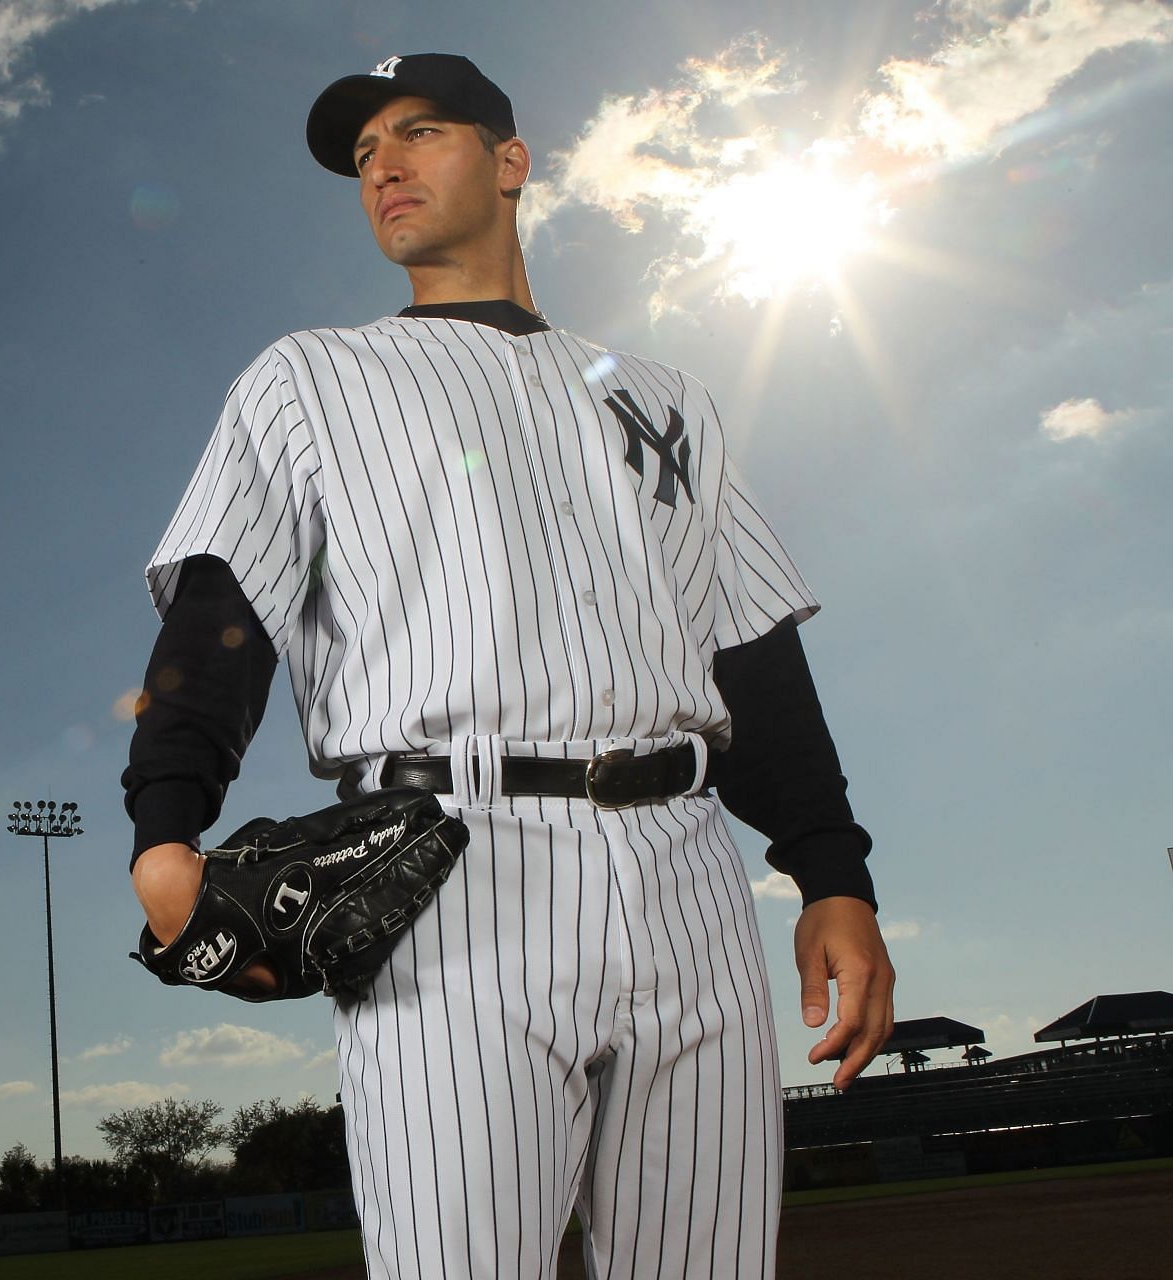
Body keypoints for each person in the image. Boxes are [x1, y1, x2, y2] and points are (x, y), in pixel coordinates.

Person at [122, 53, 894, 1279]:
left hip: (687, 873)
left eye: (417, 130)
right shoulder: (311, 377)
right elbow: (225, 612)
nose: (382, 162)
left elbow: (749, 648)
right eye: (363, 151)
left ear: (511, 162)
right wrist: (166, 827)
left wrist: (831, 873)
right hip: (442, 873)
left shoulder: (668, 397)